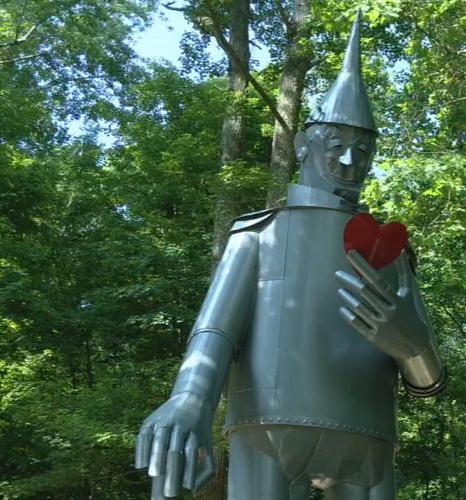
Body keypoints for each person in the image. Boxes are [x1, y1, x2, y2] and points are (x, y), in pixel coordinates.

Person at [134, 14, 446, 500]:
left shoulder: (390, 250)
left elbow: (427, 382)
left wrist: (414, 348)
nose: (348, 163)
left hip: (368, 430)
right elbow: (216, 330)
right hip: (268, 421)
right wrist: (189, 399)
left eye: (362, 152)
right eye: (337, 146)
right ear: (303, 144)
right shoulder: (260, 232)